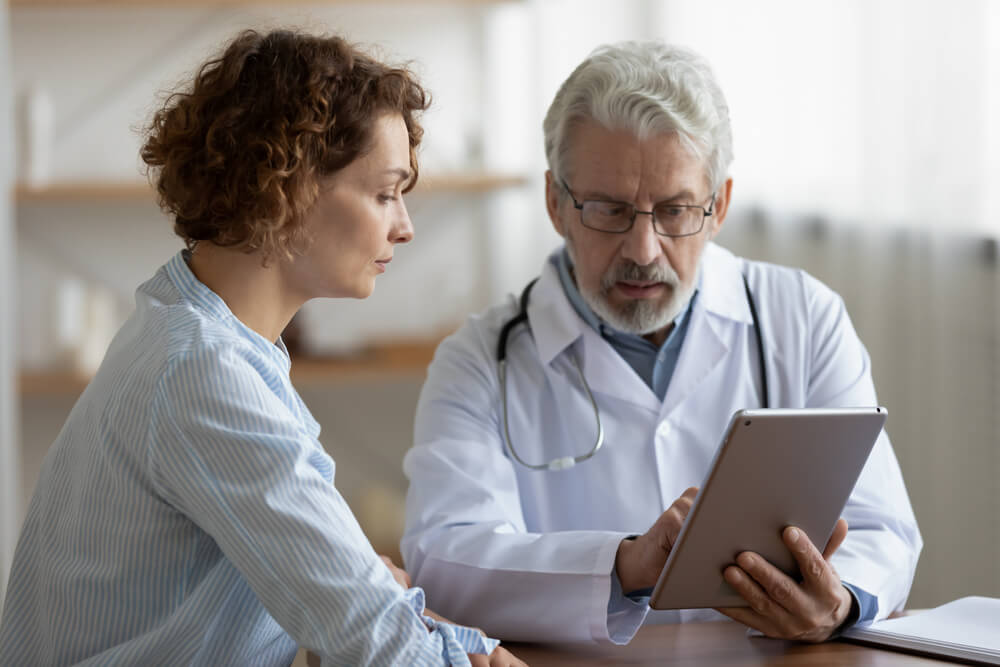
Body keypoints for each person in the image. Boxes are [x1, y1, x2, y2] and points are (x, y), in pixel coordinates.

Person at [0, 29, 525, 667]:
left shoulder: (197, 333)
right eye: (385, 193)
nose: (404, 226)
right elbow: (369, 631)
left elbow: (348, 587)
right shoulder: (201, 369)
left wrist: (412, 617)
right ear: (291, 187)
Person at [401, 41, 923, 645]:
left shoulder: (803, 319)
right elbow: (442, 560)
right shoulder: (478, 360)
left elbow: (883, 529)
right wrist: (626, 564)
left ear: (719, 204)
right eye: (609, 210)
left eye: (674, 211)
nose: (643, 250)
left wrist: (838, 601)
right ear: (555, 203)